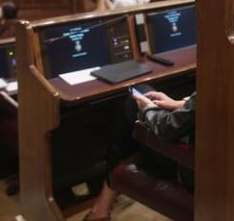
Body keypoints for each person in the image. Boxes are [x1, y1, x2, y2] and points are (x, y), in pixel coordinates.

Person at [83, 88, 195, 221]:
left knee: (132, 106)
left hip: (190, 168)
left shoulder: (216, 78)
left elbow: (167, 128)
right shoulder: (223, 81)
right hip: (216, 166)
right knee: (142, 94)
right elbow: (202, 105)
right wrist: (179, 104)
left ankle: (101, 209)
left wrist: (147, 109)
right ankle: (101, 208)